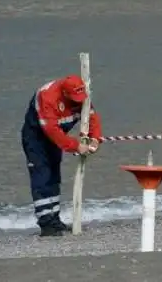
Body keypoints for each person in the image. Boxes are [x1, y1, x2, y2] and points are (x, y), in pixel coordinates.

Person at [21, 74, 102, 237]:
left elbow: (91, 117)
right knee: (42, 177)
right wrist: (76, 146)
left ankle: (54, 219)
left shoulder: (82, 96)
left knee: (54, 177)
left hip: (58, 138)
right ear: (65, 94)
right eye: (74, 99)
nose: (79, 102)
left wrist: (94, 139)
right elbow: (51, 130)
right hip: (36, 138)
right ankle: (46, 223)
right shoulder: (47, 97)